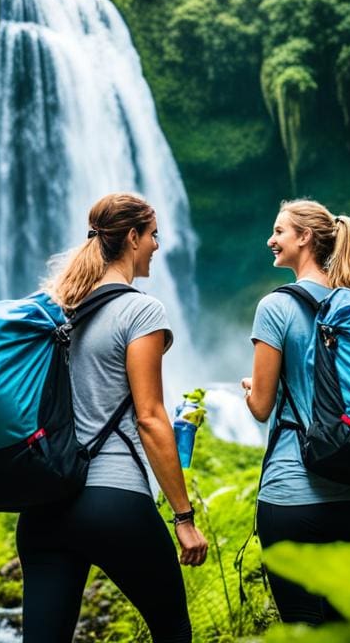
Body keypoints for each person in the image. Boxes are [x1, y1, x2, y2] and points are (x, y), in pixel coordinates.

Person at [18, 193, 207, 643]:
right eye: (154, 235)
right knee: (173, 630)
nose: (158, 246)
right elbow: (150, 417)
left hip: (44, 508)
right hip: (112, 497)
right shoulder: (140, 310)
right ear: (132, 236)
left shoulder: (56, 310)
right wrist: (184, 517)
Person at [240, 199, 350, 625]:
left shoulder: (276, 307)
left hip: (292, 495)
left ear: (304, 238)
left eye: (279, 231)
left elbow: (262, 408)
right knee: (345, 627)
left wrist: (252, 390)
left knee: (302, 627)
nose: (271, 239)